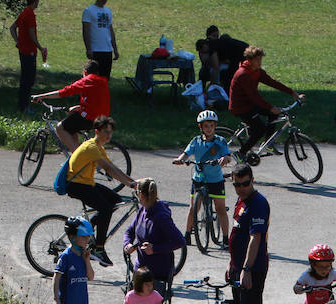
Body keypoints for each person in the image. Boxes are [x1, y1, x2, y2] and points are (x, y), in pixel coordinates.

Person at [64, 116, 137, 267]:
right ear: (96, 131)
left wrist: (133, 182)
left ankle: (86, 228)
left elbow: (113, 168)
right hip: (77, 185)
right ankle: (99, 248)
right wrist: (130, 185)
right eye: (105, 132)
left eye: (110, 132)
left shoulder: (99, 147)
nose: (108, 135)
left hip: (86, 183)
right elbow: (108, 169)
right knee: (106, 208)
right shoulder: (91, 147)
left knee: (116, 200)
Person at [226, 163, 271, 304]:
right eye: (236, 185)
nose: (241, 188)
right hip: (239, 266)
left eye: (244, 184)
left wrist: (246, 269)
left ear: (252, 180)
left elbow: (255, 238)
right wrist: (232, 264)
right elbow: (237, 234)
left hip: (252, 268)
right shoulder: (241, 201)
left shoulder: (258, 203)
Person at [228, 46, 305, 157]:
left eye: (260, 59)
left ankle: (268, 143)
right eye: (257, 60)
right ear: (249, 60)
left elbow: (272, 82)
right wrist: (271, 108)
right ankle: (240, 153)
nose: (260, 62)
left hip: (250, 103)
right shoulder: (243, 74)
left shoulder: (256, 71)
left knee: (273, 115)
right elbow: (254, 96)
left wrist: (292, 92)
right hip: (240, 107)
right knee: (260, 129)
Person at [172, 110, 232, 246]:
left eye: (211, 126)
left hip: (215, 180)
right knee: (193, 207)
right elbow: (186, 153)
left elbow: (227, 155)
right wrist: (180, 159)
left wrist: (225, 159)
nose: (209, 128)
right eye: (206, 126)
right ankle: (187, 234)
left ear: (215, 126)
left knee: (220, 209)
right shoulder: (196, 141)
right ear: (201, 127)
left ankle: (225, 238)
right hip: (199, 179)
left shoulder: (220, 141)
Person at [31, 59, 110, 152]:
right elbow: (96, 102)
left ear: (85, 72)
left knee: (60, 127)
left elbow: (64, 92)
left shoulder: (86, 81)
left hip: (89, 118)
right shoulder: (103, 82)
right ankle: (77, 152)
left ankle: (77, 156)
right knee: (71, 128)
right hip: (102, 118)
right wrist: (80, 107)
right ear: (97, 72)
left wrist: (41, 96)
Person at [122, 178, 185, 281]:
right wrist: (127, 244)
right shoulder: (143, 210)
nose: (136, 195)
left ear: (141, 194)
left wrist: (155, 249)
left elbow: (180, 241)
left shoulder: (161, 217)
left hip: (157, 273)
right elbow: (130, 231)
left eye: (136, 193)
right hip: (140, 270)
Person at [53, 217, 96, 304]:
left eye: (88, 236)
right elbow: (56, 277)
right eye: (83, 237)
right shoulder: (65, 256)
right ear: (72, 237)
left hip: (83, 302)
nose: (87, 239)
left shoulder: (84, 255)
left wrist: (87, 260)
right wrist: (56, 299)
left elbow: (91, 277)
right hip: (68, 303)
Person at [10, 0, 45, 114]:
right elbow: (32, 34)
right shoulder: (30, 14)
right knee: (28, 80)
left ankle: (22, 106)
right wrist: (40, 48)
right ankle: (24, 107)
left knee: (25, 79)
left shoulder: (24, 12)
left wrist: (18, 42)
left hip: (23, 50)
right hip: (29, 52)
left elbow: (12, 28)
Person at [81, 0, 118, 78]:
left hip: (107, 50)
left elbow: (110, 30)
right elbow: (86, 31)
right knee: (94, 78)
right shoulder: (89, 11)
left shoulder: (108, 11)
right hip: (95, 49)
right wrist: (88, 49)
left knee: (105, 78)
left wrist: (115, 49)